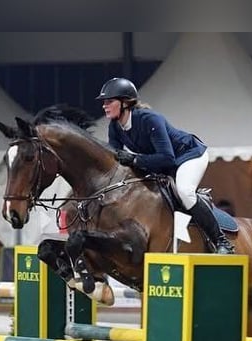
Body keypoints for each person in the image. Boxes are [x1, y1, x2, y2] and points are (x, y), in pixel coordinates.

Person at [96, 77, 234, 254]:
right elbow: (114, 160)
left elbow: (167, 157)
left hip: (188, 156)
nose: (104, 105)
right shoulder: (115, 127)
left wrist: (134, 159)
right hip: (162, 163)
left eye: (109, 101)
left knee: (185, 191)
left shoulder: (149, 119)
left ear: (125, 103)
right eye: (104, 102)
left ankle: (221, 242)